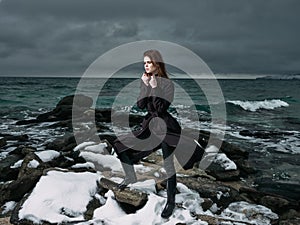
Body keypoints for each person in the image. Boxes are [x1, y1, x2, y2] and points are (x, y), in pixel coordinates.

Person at [113, 49, 204, 219]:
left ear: (157, 64)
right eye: (144, 63)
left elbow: (161, 108)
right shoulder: (146, 81)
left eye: (149, 62)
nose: (146, 65)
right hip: (149, 125)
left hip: (166, 127)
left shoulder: (168, 85)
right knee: (119, 144)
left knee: (168, 165)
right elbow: (141, 105)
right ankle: (130, 177)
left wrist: (155, 88)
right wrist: (145, 86)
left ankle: (170, 201)